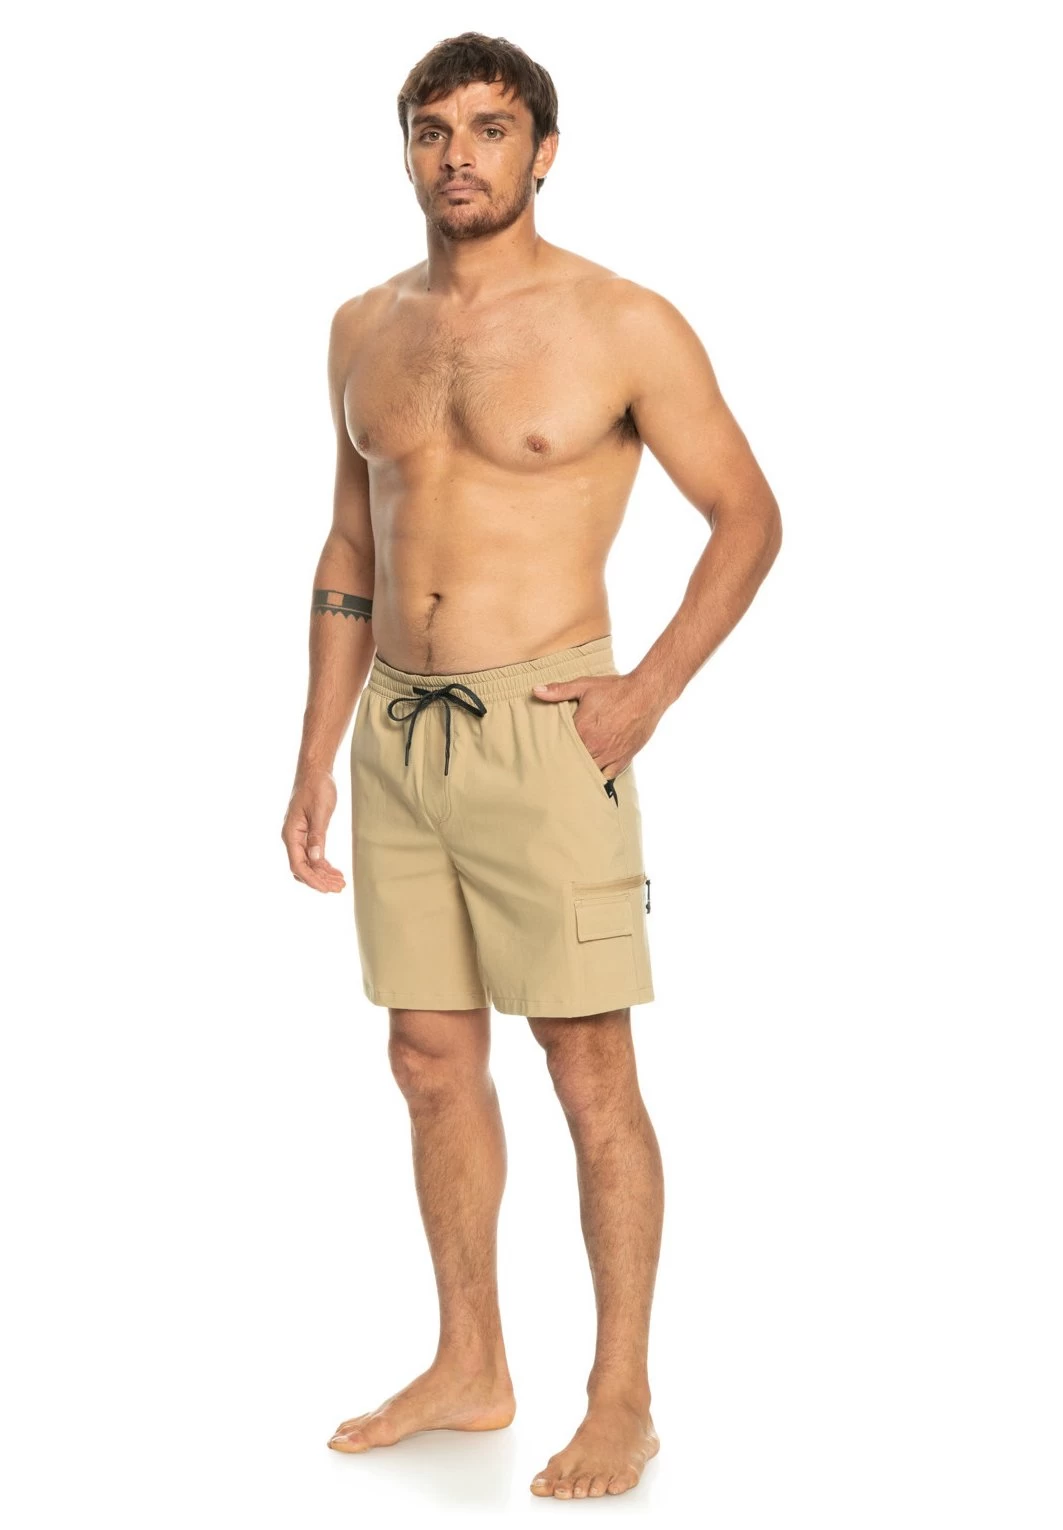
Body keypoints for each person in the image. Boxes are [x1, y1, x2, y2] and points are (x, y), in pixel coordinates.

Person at [281, 30, 782, 1502]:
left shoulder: (622, 321)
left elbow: (748, 514)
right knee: (428, 1057)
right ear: (406, 151)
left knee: (587, 1064)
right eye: (433, 129)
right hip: (396, 733)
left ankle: (622, 1396)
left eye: (490, 129)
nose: (459, 155)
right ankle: (469, 1360)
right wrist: (313, 754)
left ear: (542, 152)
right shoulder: (361, 329)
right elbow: (351, 545)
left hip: (550, 726)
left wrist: (647, 695)